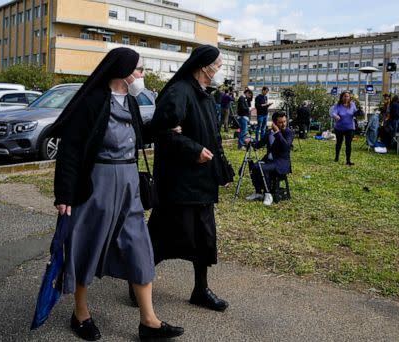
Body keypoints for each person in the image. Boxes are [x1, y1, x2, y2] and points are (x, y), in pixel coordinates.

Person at [50, 48, 183, 341]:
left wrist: (164, 129)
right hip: (96, 185)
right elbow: (71, 150)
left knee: (139, 247)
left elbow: (137, 135)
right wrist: (64, 194)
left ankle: (149, 322)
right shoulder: (93, 101)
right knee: (87, 247)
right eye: (139, 70)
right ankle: (80, 313)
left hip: (129, 185)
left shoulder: (132, 103)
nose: (142, 75)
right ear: (123, 71)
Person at [147, 44, 231, 312]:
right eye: (217, 64)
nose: (219, 69)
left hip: (202, 183)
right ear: (203, 66)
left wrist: (222, 167)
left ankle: (200, 289)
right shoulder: (178, 92)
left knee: (204, 240)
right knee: (161, 239)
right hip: (179, 184)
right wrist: (194, 150)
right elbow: (161, 133)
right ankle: (137, 281)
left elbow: (212, 136)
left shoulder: (205, 95)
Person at [245, 111, 293, 206]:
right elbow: (259, 144)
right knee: (254, 166)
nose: (283, 124)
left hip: (281, 162)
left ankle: (268, 194)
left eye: (284, 121)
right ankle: (258, 192)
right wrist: (251, 142)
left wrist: (278, 132)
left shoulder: (288, 132)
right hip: (269, 160)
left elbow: (286, 147)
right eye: (280, 122)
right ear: (274, 123)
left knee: (262, 168)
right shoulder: (268, 133)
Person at [330, 91, 358, 165]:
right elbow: (333, 113)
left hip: (350, 128)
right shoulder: (338, 105)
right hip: (339, 128)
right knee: (339, 143)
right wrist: (336, 116)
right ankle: (336, 157)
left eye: (347, 96)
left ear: (349, 97)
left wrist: (359, 112)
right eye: (344, 96)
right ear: (341, 97)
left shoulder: (352, 105)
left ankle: (348, 161)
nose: (346, 98)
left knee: (348, 144)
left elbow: (356, 112)